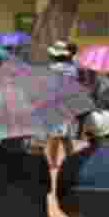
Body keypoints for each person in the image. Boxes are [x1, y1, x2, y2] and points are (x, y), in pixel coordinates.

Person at [46, 41, 79, 169]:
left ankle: (53, 162)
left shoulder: (54, 68)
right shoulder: (72, 68)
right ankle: (70, 161)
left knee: (55, 136)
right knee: (66, 137)